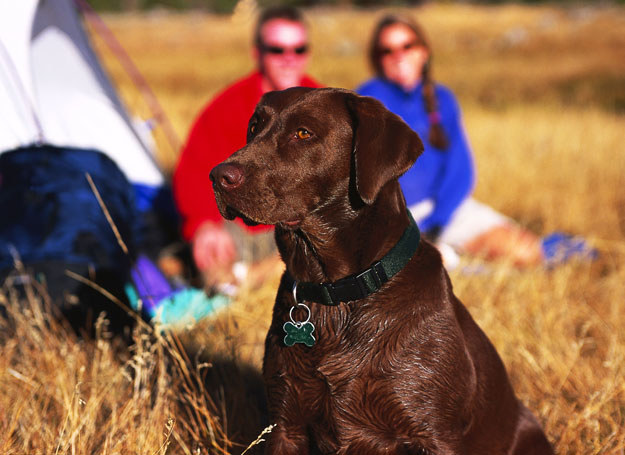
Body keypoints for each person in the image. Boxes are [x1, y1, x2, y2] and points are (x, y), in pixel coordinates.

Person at [357, 15, 595, 267]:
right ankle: (455, 264)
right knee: (425, 269)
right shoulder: (367, 101)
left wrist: (437, 223)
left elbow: (460, 171)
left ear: (423, 51)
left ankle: (459, 259)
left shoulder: (442, 98)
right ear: (377, 58)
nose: (399, 55)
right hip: (399, 219)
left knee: (527, 253)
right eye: (388, 50)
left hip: (448, 211)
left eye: (407, 46)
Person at [173, 6, 321, 283]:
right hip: (240, 233)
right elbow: (193, 171)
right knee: (212, 252)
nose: (289, 59)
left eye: (298, 49)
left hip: (300, 231)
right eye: (278, 50)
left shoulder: (323, 109)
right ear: (258, 53)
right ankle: (238, 286)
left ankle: (247, 282)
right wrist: (204, 223)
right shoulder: (227, 107)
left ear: (308, 54)